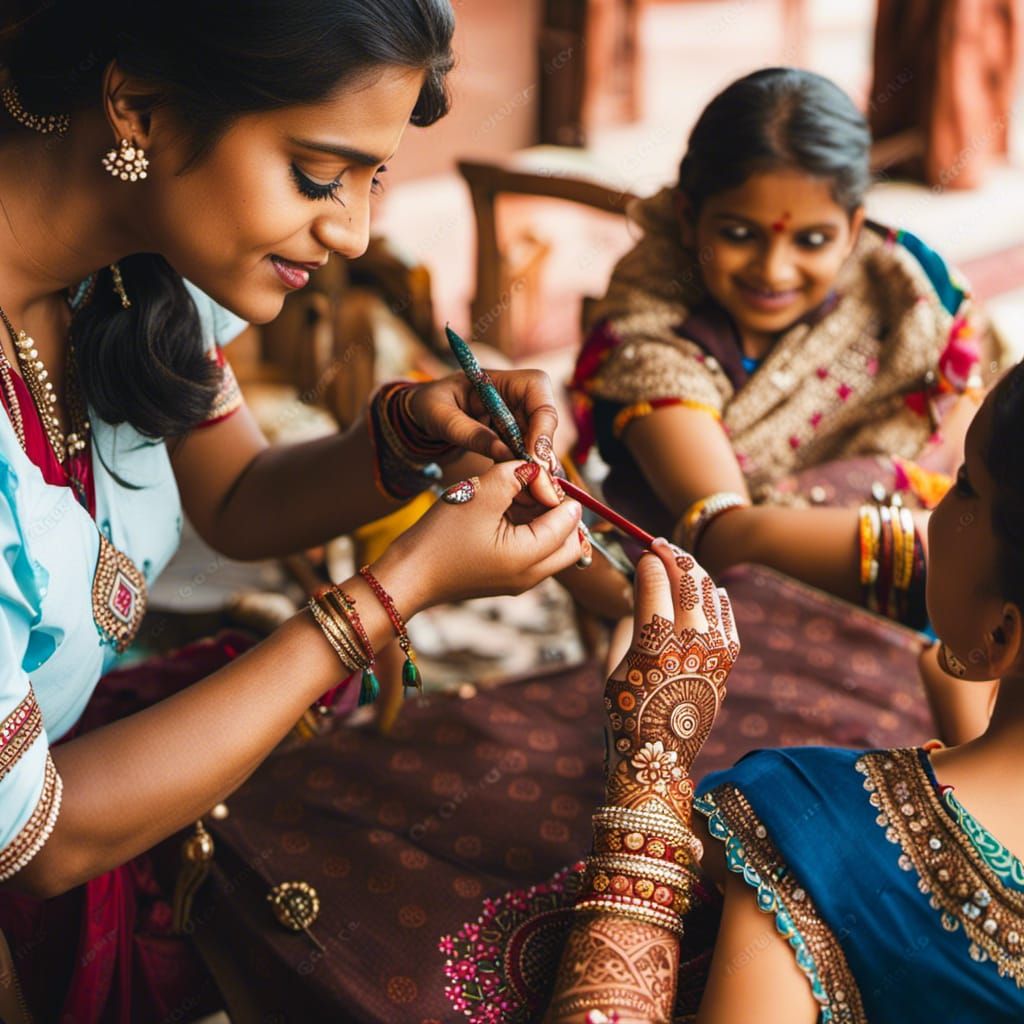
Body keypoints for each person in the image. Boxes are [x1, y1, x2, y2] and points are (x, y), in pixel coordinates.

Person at [0, 3, 586, 1021]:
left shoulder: (132, 276)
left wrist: (403, 437)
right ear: (137, 103)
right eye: (318, 175)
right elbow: (38, 837)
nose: (352, 231)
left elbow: (233, 496)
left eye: (373, 178)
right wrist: (396, 590)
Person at [533, 359, 1024, 1022]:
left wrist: (651, 767)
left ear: (1006, 630)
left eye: (964, 486)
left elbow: (732, 537)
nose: (930, 510)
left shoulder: (817, 823)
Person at [570, 68, 994, 627]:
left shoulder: (902, 290)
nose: (774, 270)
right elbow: (722, 536)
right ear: (689, 218)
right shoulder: (648, 336)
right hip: (709, 615)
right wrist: (932, 547)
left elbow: (976, 448)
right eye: (740, 234)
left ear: (853, 228)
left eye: (812, 240)